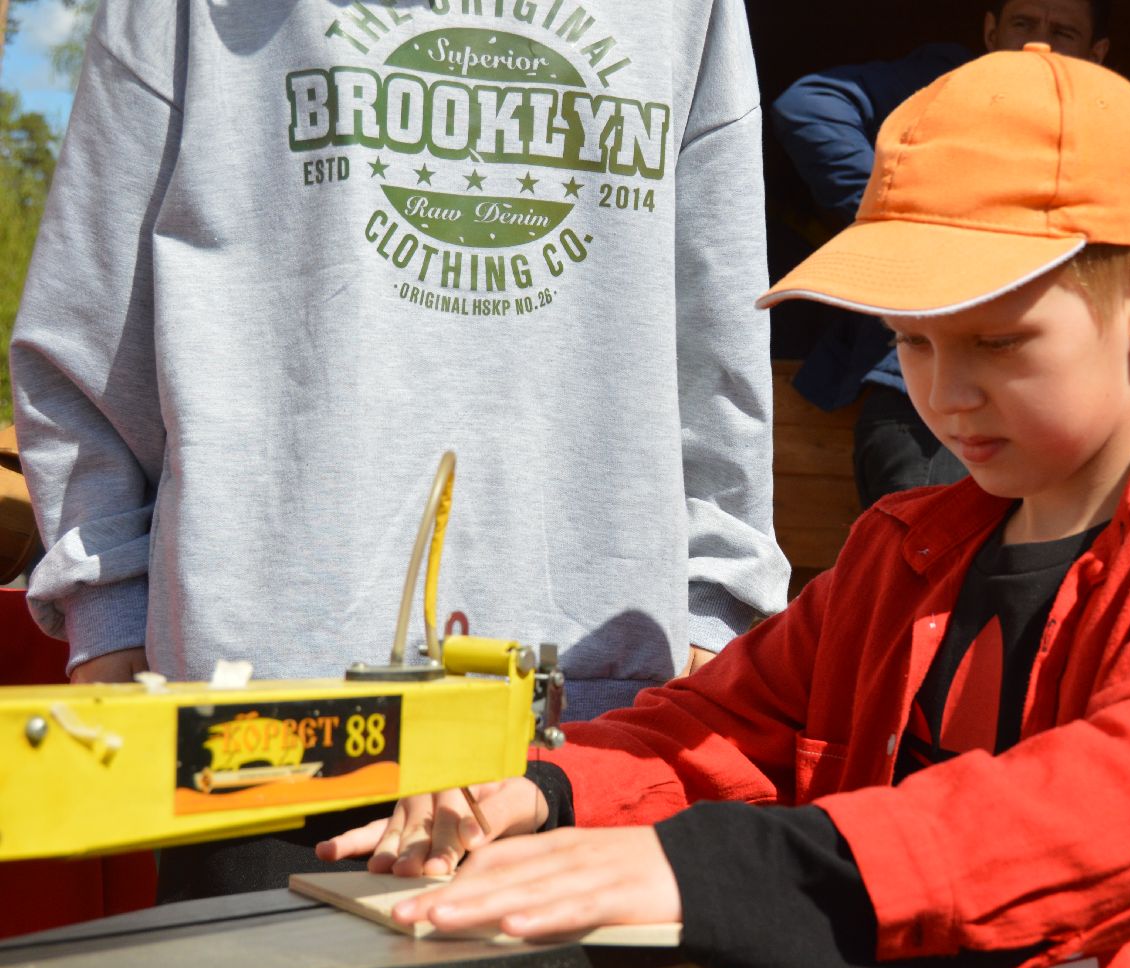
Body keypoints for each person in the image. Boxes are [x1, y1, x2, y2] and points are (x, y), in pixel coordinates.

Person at [323, 46, 1130, 968]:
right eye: (913, 343)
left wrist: (709, 872)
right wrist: (542, 789)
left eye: (997, 340)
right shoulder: (902, 549)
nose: (947, 394)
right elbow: (722, 723)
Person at [9, 0, 788, 897]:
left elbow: (721, 325)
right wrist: (109, 610)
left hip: (585, 724)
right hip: (263, 721)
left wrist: (710, 617)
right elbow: (87, 323)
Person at [771, 1, 1112, 508]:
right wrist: (903, 214)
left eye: (1062, 30)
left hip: (1037, 419)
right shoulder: (954, 85)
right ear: (991, 30)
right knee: (941, 582)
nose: (1038, 43)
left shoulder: (1108, 136)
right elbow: (810, 105)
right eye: (1023, 23)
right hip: (931, 417)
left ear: (1097, 54)